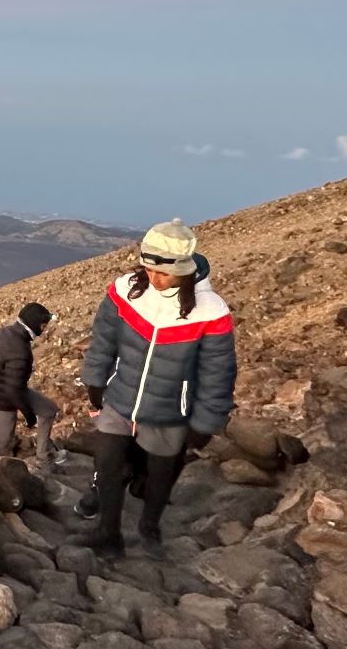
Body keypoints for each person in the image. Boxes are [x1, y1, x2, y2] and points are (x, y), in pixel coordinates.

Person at [76, 220, 236, 558]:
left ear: (185, 269)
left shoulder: (210, 312)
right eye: (148, 268)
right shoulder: (125, 290)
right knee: (106, 464)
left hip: (168, 412)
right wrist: (94, 379)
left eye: (163, 273)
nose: (154, 278)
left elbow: (217, 373)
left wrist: (204, 424)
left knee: (160, 477)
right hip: (120, 399)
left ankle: (149, 528)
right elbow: (104, 339)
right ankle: (108, 532)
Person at [0, 302, 69, 469]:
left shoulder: (6, 332)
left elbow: (14, 384)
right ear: (34, 324)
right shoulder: (20, 349)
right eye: (43, 325)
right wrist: (28, 415)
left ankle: (43, 457)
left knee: (48, 410)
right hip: (2, 400)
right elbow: (12, 390)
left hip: (8, 387)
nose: (44, 329)